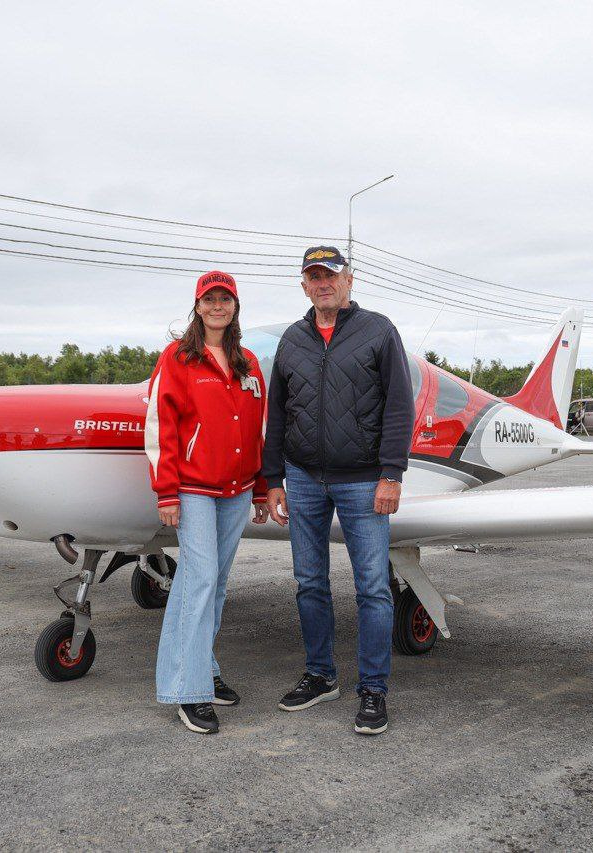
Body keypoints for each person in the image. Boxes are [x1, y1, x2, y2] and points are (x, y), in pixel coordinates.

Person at [261, 246, 415, 736]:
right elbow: (278, 414)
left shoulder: (378, 330)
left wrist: (392, 473)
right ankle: (320, 673)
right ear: (304, 286)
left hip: (364, 479)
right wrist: (272, 480)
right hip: (303, 478)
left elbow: (398, 405)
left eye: (330, 275)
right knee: (309, 582)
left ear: (349, 280)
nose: (322, 283)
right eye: (313, 276)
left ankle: (373, 688)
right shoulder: (293, 339)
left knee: (372, 586)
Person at [144, 270, 270, 734]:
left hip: (236, 492)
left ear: (235, 307)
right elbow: (161, 428)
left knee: (215, 583)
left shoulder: (248, 362)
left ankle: (205, 670)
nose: (218, 306)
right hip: (195, 490)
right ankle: (186, 689)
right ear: (197, 306)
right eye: (209, 299)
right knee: (196, 582)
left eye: (226, 299)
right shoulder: (178, 359)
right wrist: (167, 491)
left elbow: (258, 427)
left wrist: (258, 487)